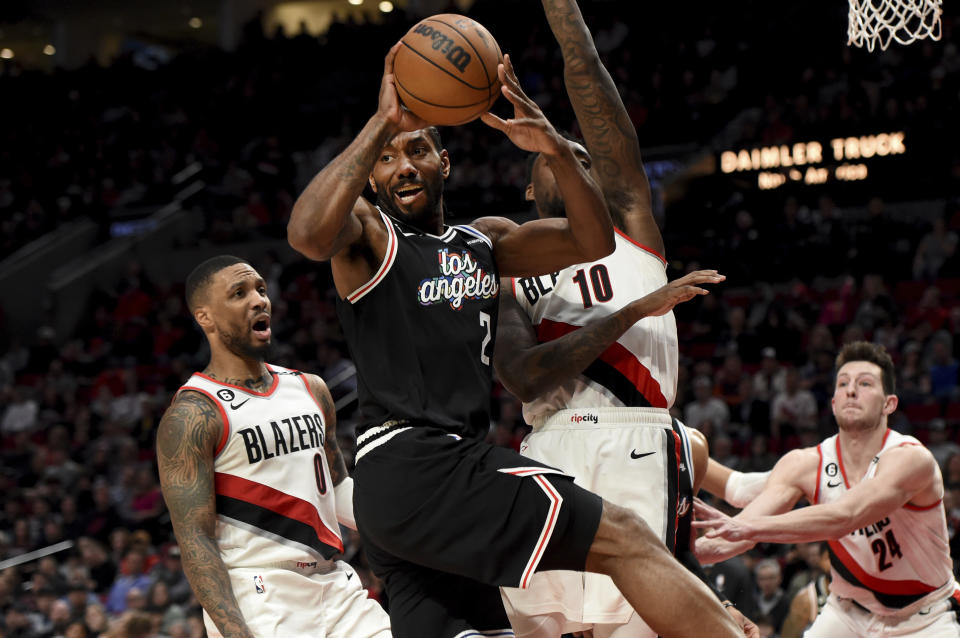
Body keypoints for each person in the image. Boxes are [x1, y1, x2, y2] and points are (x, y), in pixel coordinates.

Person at [286, 39, 740, 638]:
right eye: (389, 159)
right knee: (623, 536)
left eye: (417, 150)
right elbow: (306, 235)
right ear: (371, 179)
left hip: (424, 488)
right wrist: (381, 123)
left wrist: (554, 147)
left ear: (443, 164)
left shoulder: (485, 243)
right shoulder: (371, 238)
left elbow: (593, 240)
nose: (403, 166)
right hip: (415, 459)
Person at [493, 3, 756, 636]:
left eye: (582, 159)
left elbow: (591, 90)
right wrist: (634, 313)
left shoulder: (631, 227)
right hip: (550, 444)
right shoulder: (500, 256)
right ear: (530, 189)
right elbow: (524, 379)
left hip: (637, 437)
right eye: (555, 159)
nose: (571, 160)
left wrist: (564, 14)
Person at [156, 255, 391, 638]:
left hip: (335, 584)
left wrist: (408, 524)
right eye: (239, 293)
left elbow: (337, 488)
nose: (259, 300)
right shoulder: (193, 414)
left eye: (261, 289)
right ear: (205, 318)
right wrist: (234, 631)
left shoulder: (310, 387)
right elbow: (195, 539)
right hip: (260, 596)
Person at [695, 341, 960, 637]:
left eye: (865, 383)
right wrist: (684, 553)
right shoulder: (805, 464)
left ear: (889, 403)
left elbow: (846, 515)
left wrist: (748, 528)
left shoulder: (910, 458)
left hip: (925, 616)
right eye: (843, 383)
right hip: (847, 613)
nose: (851, 390)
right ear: (833, 403)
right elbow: (733, 530)